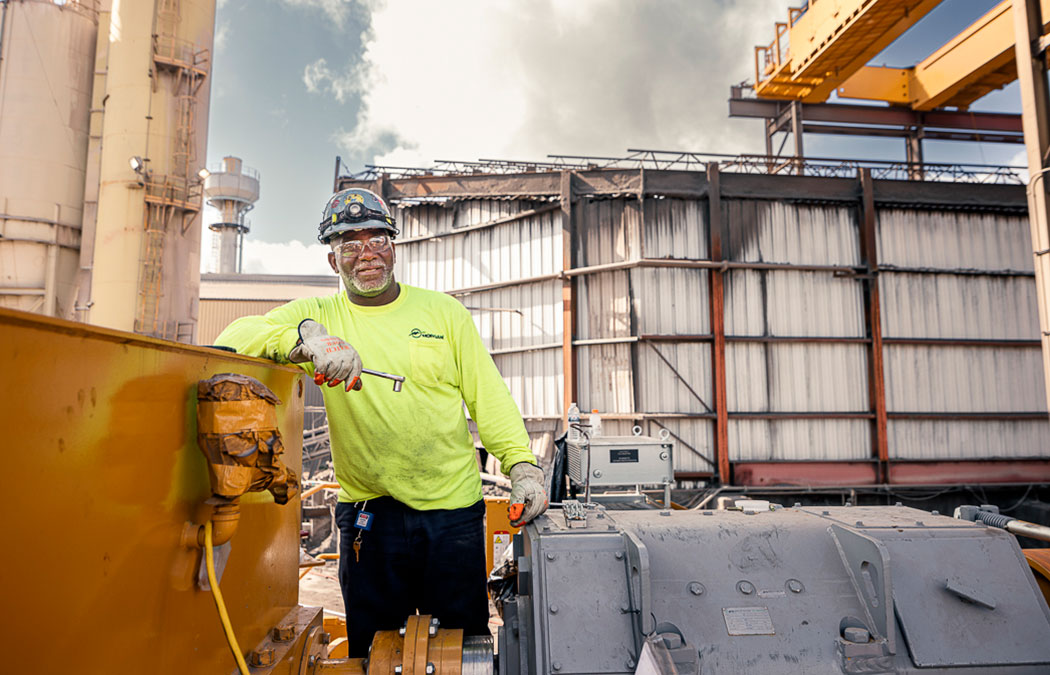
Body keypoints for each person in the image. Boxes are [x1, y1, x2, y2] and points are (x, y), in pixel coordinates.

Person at [214, 187, 548, 656]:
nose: (365, 254)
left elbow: (488, 397)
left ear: (393, 247)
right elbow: (234, 336)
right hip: (368, 518)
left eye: (376, 240)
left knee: (464, 648)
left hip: (452, 517)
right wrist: (305, 338)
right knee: (372, 652)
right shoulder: (320, 316)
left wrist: (521, 465)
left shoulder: (443, 313)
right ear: (334, 262)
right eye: (349, 244)